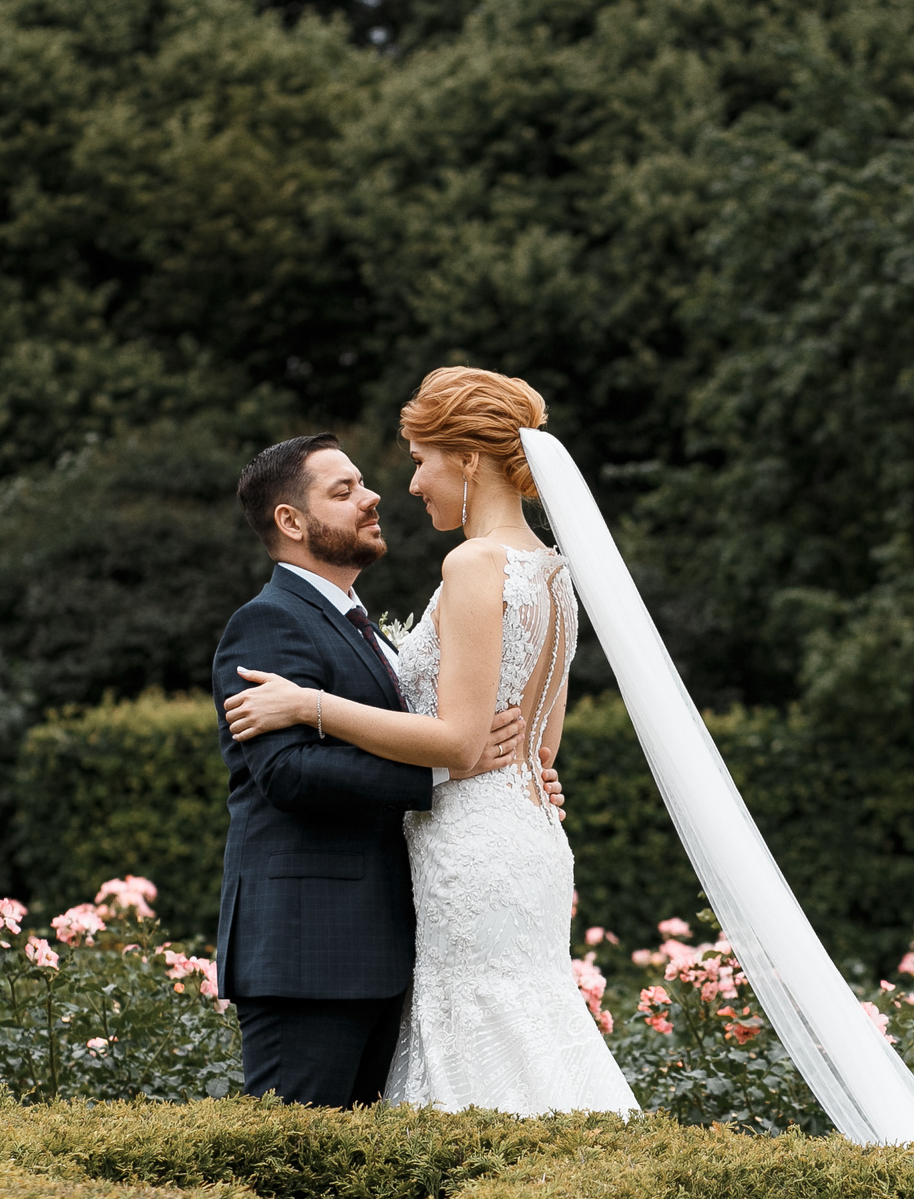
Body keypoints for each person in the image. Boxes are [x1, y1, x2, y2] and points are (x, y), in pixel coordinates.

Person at [223, 371, 640, 1117]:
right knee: (523, 1031)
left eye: (420, 459)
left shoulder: (474, 564)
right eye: (347, 487)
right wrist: (507, 774)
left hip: (474, 851)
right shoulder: (553, 574)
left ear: (470, 460)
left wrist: (311, 703)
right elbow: (539, 746)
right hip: (520, 837)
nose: (405, 484)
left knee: (482, 1042)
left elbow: (460, 738)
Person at [209, 430, 544, 1109]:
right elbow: (290, 774)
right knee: (294, 1168)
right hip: (308, 951)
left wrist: (510, 776)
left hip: (380, 949)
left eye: (363, 484)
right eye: (345, 491)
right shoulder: (267, 624)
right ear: (291, 521)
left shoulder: (364, 628)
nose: (374, 497)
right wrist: (449, 773)